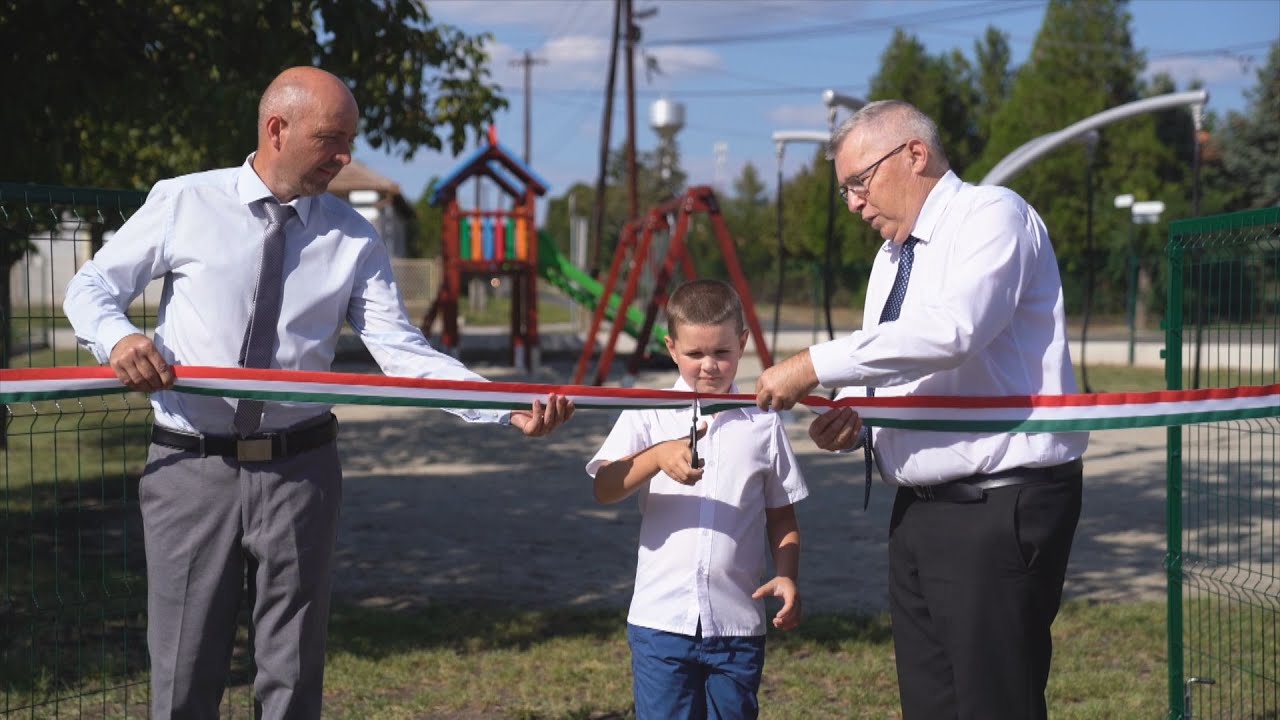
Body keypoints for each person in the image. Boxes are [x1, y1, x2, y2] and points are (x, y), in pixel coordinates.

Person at [62, 66, 574, 719]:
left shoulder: (353, 238)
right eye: (331, 139)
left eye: (349, 142)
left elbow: (402, 353)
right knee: (184, 671)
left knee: (293, 673)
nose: (344, 158)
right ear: (277, 129)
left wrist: (503, 408)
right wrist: (120, 340)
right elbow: (91, 288)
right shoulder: (185, 202)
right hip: (191, 469)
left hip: (300, 472)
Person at [755, 100, 1088, 720]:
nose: (853, 203)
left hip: (998, 504)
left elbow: (953, 331)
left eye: (859, 181)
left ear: (915, 154)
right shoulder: (892, 259)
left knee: (994, 703)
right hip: (918, 512)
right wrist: (856, 420)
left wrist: (814, 363)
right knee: (930, 702)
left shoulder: (993, 215)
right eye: (845, 190)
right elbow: (900, 364)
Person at [587, 279, 808, 720]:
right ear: (671, 348)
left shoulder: (763, 423)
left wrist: (787, 575)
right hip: (660, 622)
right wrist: (655, 457)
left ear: (742, 343)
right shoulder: (648, 411)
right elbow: (605, 487)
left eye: (722, 352)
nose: (709, 365)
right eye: (695, 353)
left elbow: (782, 517)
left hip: (737, 626)